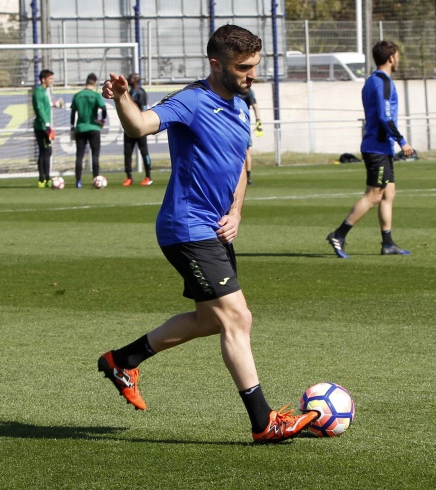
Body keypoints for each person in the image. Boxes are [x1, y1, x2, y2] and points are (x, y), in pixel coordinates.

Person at [98, 24, 317, 443]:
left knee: (209, 319)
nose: (253, 75)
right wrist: (123, 98)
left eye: (255, 66)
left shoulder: (241, 106)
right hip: (187, 226)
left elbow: (240, 164)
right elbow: (140, 126)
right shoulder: (192, 100)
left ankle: (122, 360)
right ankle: (264, 422)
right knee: (237, 317)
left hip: (215, 229)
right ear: (217, 64)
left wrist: (236, 210)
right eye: (244, 67)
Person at [326, 40, 414, 259]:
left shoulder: (372, 80)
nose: (398, 59)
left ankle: (388, 243)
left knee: (388, 193)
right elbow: (385, 116)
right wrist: (402, 141)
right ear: (391, 57)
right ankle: (339, 234)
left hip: (380, 146)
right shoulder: (383, 82)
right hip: (377, 148)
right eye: (397, 56)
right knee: (374, 196)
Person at [70, 73, 107, 188]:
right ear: (95, 83)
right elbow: (104, 109)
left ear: (86, 82)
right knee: (95, 155)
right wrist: (102, 120)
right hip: (94, 128)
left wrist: (72, 127)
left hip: (80, 128)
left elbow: (73, 113)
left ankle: (78, 181)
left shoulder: (77, 95)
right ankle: (96, 180)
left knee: (79, 155)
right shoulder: (96, 95)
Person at [122, 73, 154, 186]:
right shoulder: (129, 92)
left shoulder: (140, 92)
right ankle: (129, 177)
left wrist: (142, 124)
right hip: (129, 127)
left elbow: (144, 109)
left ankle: (148, 176)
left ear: (136, 80)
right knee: (127, 153)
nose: (128, 79)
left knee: (144, 152)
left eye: (131, 78)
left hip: (140, 127)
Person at [32, 69, 55, 188]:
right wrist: (47, 124)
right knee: (46, 151)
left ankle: (44, 178)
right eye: (50, 78)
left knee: (45, 152)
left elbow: (44, 106)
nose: (52, 81)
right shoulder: (38, 92)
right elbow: (39, 109)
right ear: (43, 79)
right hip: (41, 127)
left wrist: (54, 104)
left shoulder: (44, 91)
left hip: (45, 126)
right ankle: (44, 179)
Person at [235, 88, 262, 185]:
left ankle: (247, 177)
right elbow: (255, 107)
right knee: (245, 152)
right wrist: (258, 122)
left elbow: (255, 106)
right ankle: (245, 177)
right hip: (236, 126)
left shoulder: (247, 92)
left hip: (242, 127)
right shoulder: (245, 91)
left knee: (245, 151)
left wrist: (258, 122)